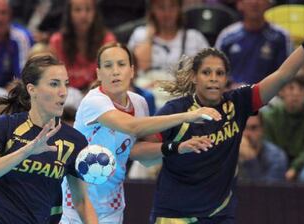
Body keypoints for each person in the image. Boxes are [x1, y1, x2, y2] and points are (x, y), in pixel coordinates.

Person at [129, 3, 304, 223]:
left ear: (226, 79)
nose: (213, 78)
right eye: (206, 72)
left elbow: (282, 75)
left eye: (219, 73)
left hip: (219, 214)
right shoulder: (176, 111)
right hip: (175, 214)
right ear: (194, 77)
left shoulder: (238, 103)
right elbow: (137, 151)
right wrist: (176, 148)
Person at [60, 42, 221, 224]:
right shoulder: (94, 101)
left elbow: (141, 156)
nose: (115, 71)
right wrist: (188, 116)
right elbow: (133, 127)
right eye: (108, 65)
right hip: (78, 207)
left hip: (112, 207)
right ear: (98, 73)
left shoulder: (139, 103)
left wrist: (178, 147)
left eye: (121, 64)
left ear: (132, 70)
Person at [0, 54, 97, 224]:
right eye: (54, 84)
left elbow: (81, 202)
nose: (63, 92)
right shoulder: (4, 127)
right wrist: (26, 151)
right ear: (32, 89)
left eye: (65, 84)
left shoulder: (74, 141)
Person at [261, 75, 304, 181]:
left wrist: (295, 167)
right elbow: (268, 146)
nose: (296, 93)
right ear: (281, 92)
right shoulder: (269, 116)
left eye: (301, 89)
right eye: (291, 88)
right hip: (277, 160)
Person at [215, 0, 293, 85]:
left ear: (268, 3)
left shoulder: (281, 36)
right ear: (240, 4)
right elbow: (216, 72)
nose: (254, 2)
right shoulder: (227, 36)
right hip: (233, 94)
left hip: (270, 94)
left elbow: (286, 74)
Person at [49, 0, 116, 91]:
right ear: (69, 14)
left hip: (97, 94)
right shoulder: (57, 41)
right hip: (65, 94)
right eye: (77, 10)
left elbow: (111, 75)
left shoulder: (107, 40)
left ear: (95, 13)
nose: (83, 15)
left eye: (88, 10)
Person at [238, 114, 287, 183]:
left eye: (253, 128)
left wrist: (250, 159)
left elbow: (266, 192)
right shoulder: (228, 154)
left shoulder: (276, 157)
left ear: (262, 130)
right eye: (243, 127)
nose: (247, 134)